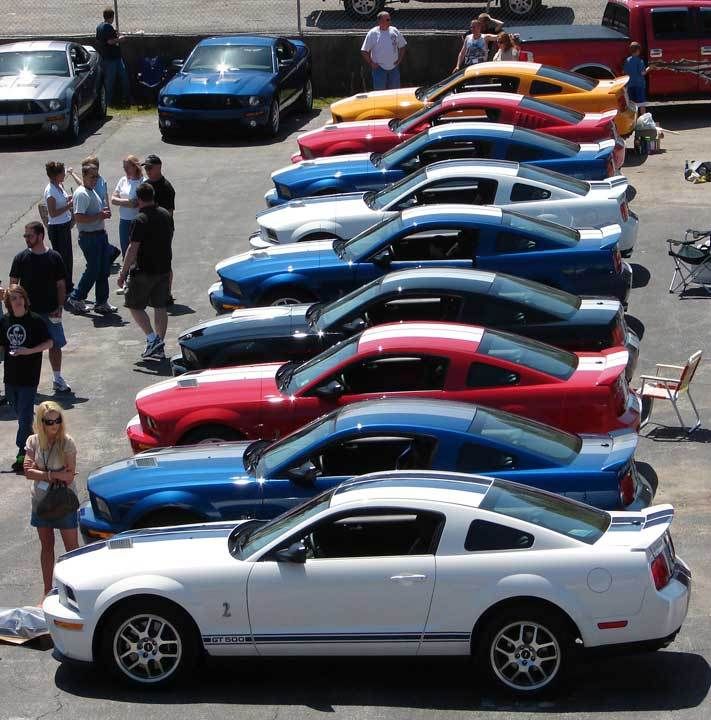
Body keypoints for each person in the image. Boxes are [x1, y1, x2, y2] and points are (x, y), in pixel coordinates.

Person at [23, 401, 78, 603]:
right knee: (47, 546)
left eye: (58, 420)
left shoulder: (67, 442)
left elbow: (69, 476)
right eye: (49, 421)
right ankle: (47, 591)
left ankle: (75, 591)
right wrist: (53, 474)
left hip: (64, 502)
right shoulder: (33, 441)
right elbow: (27, 472)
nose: (54, 425)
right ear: (41, 422)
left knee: (72, 548)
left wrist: (42, 473)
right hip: (41, 500)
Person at [10, 221, 71, 394]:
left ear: (40, 235)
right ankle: (25, 382)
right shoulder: (21, 258)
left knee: (55, 344)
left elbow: (61, 284)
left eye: (29, 235)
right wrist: (15, 308)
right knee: (25, 347)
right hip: (27, 313)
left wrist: (60, 306)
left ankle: (57, 378)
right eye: (25, 236)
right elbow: (13, 285)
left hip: (51, 311)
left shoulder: (54, 257)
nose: (26, 239)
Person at [118, 183, 174, 361]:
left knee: (134, 305)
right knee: (160, 307)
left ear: (139, 198)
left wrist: (123, 272)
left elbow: (132, 249)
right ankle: (159, 345)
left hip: (144, 271)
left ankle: (152, 339)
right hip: (164, 269)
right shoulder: (165, 214)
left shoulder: (139, 220)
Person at [0, 285, 53, 472]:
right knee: (20, 411)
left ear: (25, 299)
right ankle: (37, 443)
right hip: (10, 376)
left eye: (20, 297)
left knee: (23, 418)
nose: (18, 301)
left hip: (29, 376)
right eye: (13, 298)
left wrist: (29, 351)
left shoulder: (35, 321)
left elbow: (49, 342)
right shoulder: (5, 321)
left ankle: (22, 453)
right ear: (9, 303)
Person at [66, 165, 118, 315]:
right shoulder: (81, 194)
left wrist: (102, 215)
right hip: (90, 237)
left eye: (96, 176)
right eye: (92, 176)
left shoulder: (91, 190)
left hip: (99, 235)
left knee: (103, 269)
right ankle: (77, 297)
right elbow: (79, 217)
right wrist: (99, 216)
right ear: (84, 176)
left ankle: (102, 302)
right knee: (93, 269)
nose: (95, 179)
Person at [142, 155, 176, 305]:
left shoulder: (166, 187)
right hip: (148, 230)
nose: (147, 170)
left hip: (163, 230)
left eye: (150, 168)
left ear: (159, 167)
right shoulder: (147, 185)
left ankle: (166, 293)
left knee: (164, 262)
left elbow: (169, 213)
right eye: (146, 168)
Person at [43, 161, 74, 295]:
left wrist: (71, 198)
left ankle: (68, 285)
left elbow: (63, 199)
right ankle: (64, 288)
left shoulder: (59, 186)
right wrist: (69, 205)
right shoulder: (50, 191)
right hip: (57, 228)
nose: (64, 174)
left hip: (64, 225)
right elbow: (53, 213)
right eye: (62, 172)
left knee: (68, 258)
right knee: (63, 259)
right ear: (56, 175)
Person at [360, 11, 407, 91]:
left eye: (389, 19)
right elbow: (364, 51)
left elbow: (402, 46)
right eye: (387, 20)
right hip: (379, 69)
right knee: (380, 93)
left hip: (394, 68)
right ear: (380, 21)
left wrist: (399, 60)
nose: (390, 21)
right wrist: (371, 63)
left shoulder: (394, 31)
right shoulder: (373, 33)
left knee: (395, 93)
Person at [95, 7, 130, 107]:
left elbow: (99, 40)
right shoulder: (107, 27)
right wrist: (121, 39)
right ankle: (108, 102)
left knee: (119, 79)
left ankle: (120, 100)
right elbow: (110, 41)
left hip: (109, 57)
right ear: (112, 17)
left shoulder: (100, 27)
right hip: (112, 58)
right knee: (111, 81)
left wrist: (116, 34)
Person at [111, 154, 143, 261]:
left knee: (138, 251)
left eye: (127, 167)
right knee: (125, 250)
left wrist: (122, 202)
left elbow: (137, 203)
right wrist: (129, 202)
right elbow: (113, 199)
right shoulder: (122, 180)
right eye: (124, 167)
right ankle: (126, 274)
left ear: (135, 167)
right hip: (124, 221)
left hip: (138, 221)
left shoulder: (143, 182)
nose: (125, 170)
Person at [623, 41, 653, 115]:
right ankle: (643, 119)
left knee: (632, 104)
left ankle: (633, 120)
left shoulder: (627, 60)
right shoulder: (640, 61)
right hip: (639, 85)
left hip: (630, 85)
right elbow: (642, 73)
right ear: (638, 51)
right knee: (641, 103)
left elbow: (624, 72)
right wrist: (649, 68)